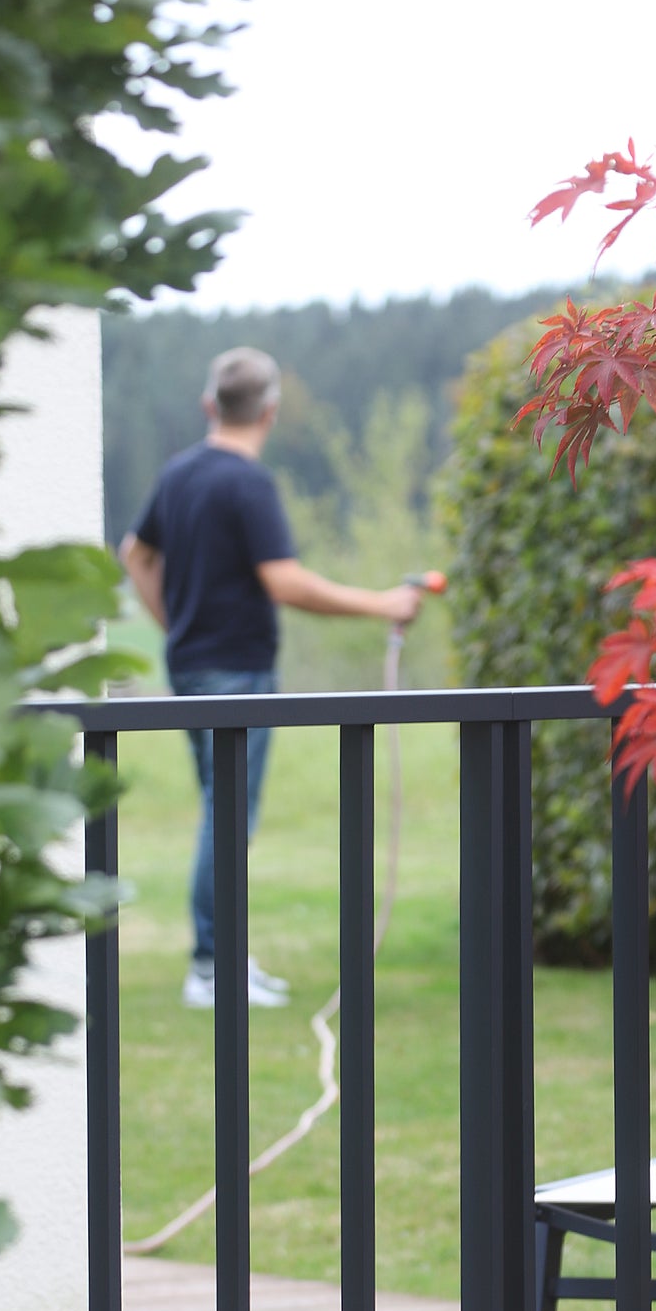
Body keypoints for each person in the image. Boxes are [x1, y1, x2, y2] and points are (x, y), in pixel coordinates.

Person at [119, 346, 421, 1009]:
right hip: (238, 673)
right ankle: (210, 968)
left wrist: (172, 623)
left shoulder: (177, 475)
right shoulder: (247, 483)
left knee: (218, 815)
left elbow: (135, 554)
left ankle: (222, 958)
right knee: (227, 820)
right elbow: (283, 581)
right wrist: (382, 604)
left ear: (210, 405)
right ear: (271, 412)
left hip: (191, 667)